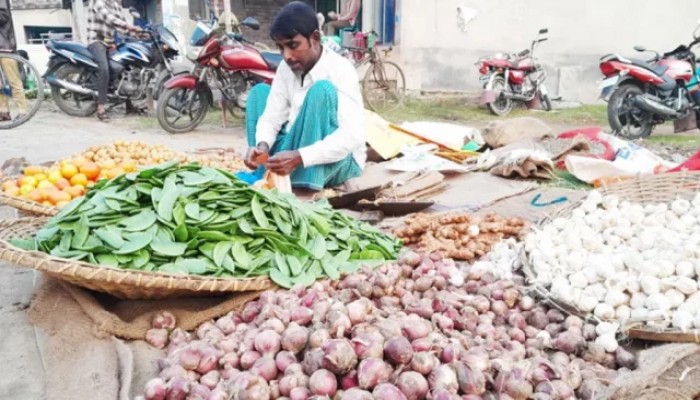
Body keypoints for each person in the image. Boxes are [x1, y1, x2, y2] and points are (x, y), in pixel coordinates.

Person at [243, 1, 365, 191]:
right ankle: (264, 169)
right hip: (295, 146)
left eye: (293, 45)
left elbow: (352, 137)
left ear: (315, 38)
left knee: (321, 91)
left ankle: (304, 184)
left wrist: (300, 157)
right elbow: (272, 116)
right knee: (258, 94)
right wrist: (262, 146)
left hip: (339, 159)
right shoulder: (286, 68)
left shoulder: (340, 69)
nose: (287, 55)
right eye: (281, 47)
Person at [87, 0, 141, 121]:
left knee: (125, 66)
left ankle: (129, 105)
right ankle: (100, 108)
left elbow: (122, 25)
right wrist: (128, 26)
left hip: (109, 43)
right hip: (96, 40)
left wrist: (139, 33)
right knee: (104, 69)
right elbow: (109, 18)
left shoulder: (115, 4)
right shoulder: (97, 1)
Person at [0, 0, 28, 121]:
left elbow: (3, 17)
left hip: (4, 46)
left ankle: (22, 111)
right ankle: (3, 111)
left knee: (13, 81)